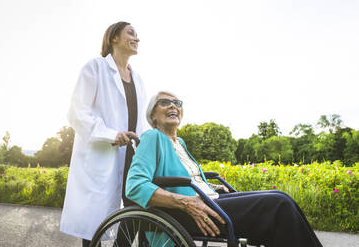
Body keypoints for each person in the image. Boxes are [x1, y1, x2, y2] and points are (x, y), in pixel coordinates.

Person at [126, 91, 323, 247]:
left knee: (281, 198)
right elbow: (135, 185)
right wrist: (186, 203)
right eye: (164, 102)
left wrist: (212, 186)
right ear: (153, 114)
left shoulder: (180, 142)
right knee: (278, 204)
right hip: (185, 212)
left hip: (208, 199)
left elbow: (186, 178)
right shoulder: (153, 137)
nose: (172, 106)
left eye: (177, 103)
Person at [60, 21, 149, 247]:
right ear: (114, 38)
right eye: (131, 33)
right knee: (94, 219)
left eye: (138, 35)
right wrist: (111, 135)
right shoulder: (95, 68)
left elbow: (139, 121)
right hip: (102, 152)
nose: (137, 38)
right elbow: (77, 113)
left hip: (132, 153)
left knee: (136, 208)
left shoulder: (137, 78)